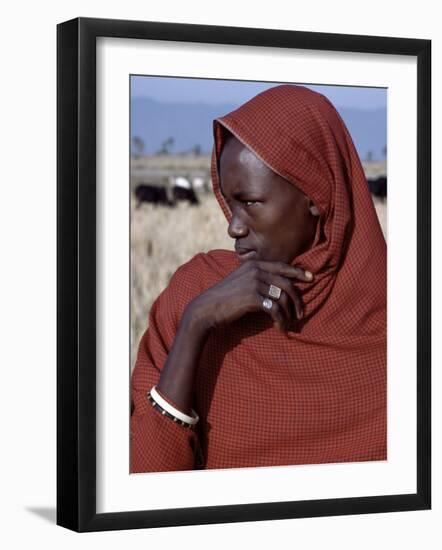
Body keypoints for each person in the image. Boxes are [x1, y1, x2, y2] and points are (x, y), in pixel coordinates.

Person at [130, 84, 386, 473]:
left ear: (316, 195)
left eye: (249, 203)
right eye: (229, 204)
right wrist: (195, 326)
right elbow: (143, 480)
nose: (232, 227)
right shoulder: (196, 294)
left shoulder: (403, 319)